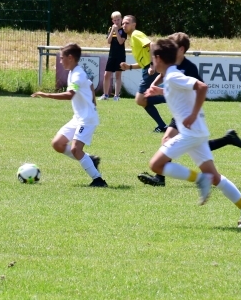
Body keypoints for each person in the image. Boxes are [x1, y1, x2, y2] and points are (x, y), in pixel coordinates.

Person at [145, 38, 241, 228]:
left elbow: (202, 87)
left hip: (190, 133)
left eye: (152, 59)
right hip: (197, 132)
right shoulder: (171, 77)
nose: (152, 63)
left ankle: (200, 179)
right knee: (214, 177)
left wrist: (192, 115)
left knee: (156, 165)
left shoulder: (173, 76)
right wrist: (161, 92)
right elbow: (180, 95)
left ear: (158, 58)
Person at [138, 32, 241, 187]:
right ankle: (227, 140)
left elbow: (199, 88)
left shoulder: (189, 68)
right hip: (180, 112)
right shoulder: (171, 64)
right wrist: (155, 87)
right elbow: (164, 77)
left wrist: (193, 113)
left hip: (188, 113)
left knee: (177, 141)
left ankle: (161, 177)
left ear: (181, 49)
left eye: (173, 46)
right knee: (178, 142)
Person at [32, 43, 108, 187]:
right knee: (57, 144)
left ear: (70, 58)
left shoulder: (77, 74)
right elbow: (90, 84)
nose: (60, 61)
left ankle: (98, 180)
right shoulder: (74, 72)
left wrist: (46, 95)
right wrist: (92, 102)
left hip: (86, 119)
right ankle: (90, 160)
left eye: (62, 58)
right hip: (78, 117)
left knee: (75, 149)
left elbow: (69, 95)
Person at [119, 15, 168, 132]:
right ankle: (162, 125)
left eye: (127, 23)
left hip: (150, 69)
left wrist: (152, 65)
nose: (124, 25)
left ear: (134, 24)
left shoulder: (136, 34)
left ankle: (171, 97)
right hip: (147, 68)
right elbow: (143, 62)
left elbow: (152, 45)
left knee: (140, 99)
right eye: (123, 23)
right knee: (141, 100)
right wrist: (130, 67)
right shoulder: (132, 37)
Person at [101, 11, 127, 101]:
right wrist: (112, 30)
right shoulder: (110, 29)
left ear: (121, 19)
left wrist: (116, 30)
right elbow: (108, 41)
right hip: (112, 55)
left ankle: (116, 96)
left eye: (118, 20)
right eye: (115, 20)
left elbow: (121, 42)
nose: (116, 22)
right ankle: (105, 95)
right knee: (106, 75)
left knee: (118, 75)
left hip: (120, 55)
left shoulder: (124, 29)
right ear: (112, 21)